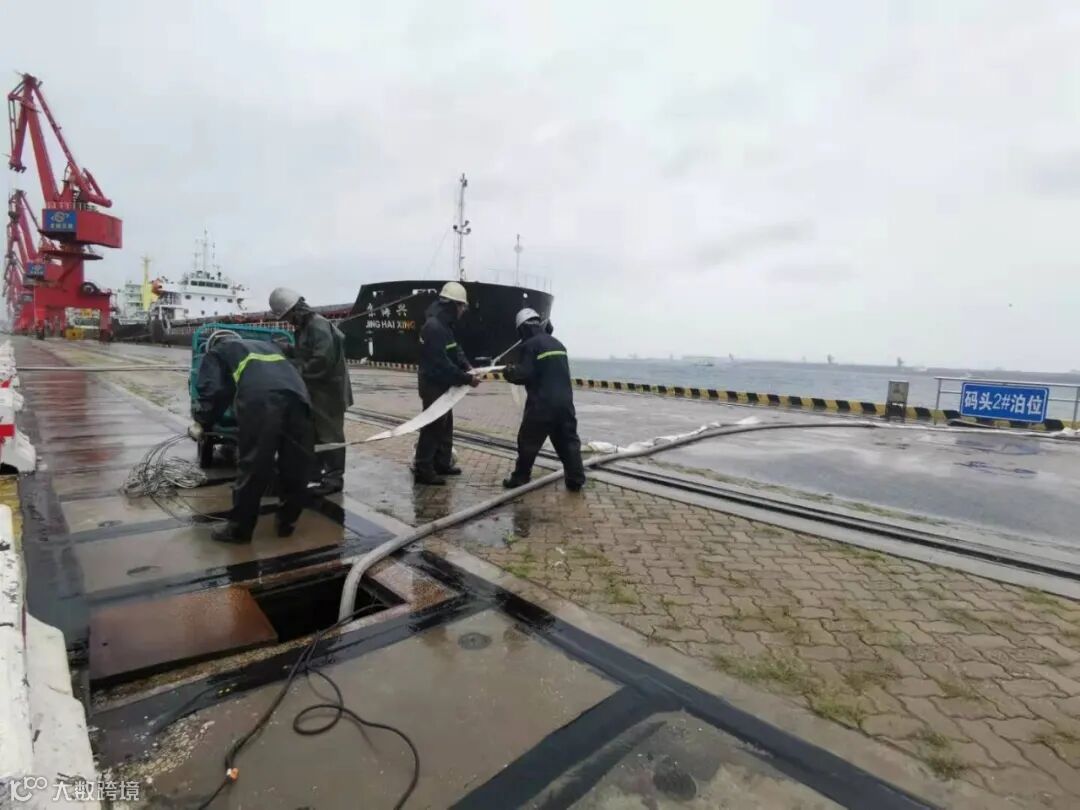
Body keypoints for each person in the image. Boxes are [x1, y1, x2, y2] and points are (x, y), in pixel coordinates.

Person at [190, 330, 314, 543]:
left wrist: (202, 421)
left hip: (262, 401)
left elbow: (215, 390)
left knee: (254, 464)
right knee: (296, 464)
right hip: (299, 397)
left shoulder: (217, 352)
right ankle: (287, 522)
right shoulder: (267, 346)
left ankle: (239, 530)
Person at [269, 288, 354, 495]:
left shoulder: (318, 326)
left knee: (330, 435)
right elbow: (305, 352)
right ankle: (316, 474)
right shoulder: (304, 327)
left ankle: (333, 479)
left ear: (295, 310)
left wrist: (292, 367)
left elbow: (321, 362)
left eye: (287, 317)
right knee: (315, 435)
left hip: (329, 393)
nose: (288, 321)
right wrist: (287, 349)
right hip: (316, 392)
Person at [502, 308, 586, 492]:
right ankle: (576, 479)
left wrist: (509, 372)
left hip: (541, 405)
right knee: (568, 442)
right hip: (565, 404)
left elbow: (525, 373)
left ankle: (520, 478)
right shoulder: (558, 344)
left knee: (528, 441)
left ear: (522, 328)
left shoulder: (529, 345)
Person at [413, 281, 480, 485]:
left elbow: (454, 349)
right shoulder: (434, 328)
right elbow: (441, 364)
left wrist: (467, 366)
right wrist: (467, 378)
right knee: (433, 426)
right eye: (462, 306)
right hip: (433, 385)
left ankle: (442, 463)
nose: (463, 310)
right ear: (452, 305)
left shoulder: (444, 325)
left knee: (445, 425)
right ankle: (423, 468)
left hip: (442, 384)